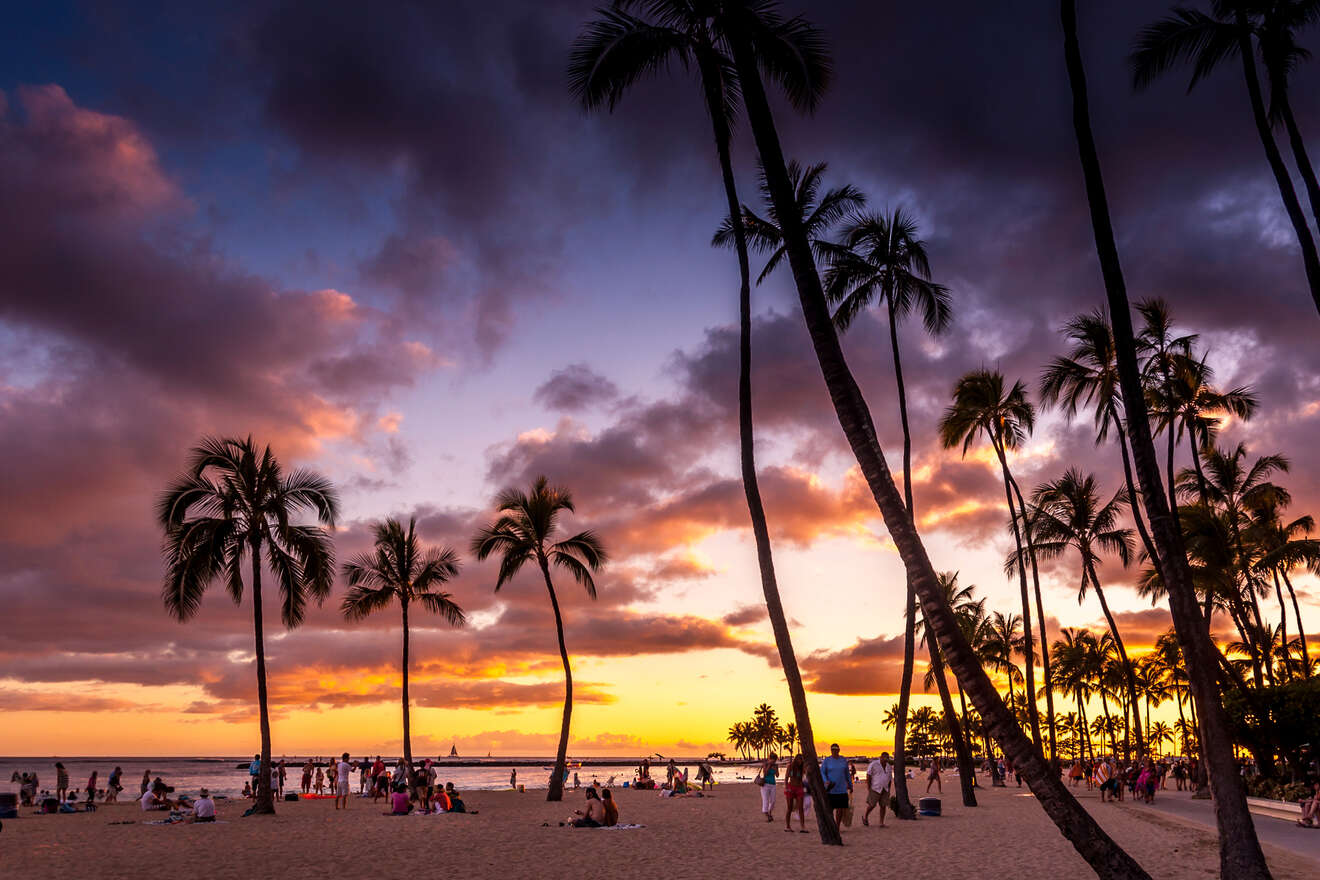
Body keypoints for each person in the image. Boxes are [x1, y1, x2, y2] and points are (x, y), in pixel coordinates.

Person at [820, 743, 853, 829]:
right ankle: (830, 825)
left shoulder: (843, 760)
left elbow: (847, 774)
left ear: (839, 750)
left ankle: (837, 827)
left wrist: (850, 784)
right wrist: (826, 781)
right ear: (831, 750)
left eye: (836, 749)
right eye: (833, 749)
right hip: (830, 789)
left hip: (842, 788)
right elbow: (822, 772)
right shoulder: (827, 760)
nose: (834, 751)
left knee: (840, 809)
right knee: (830, 809)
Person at [864, 752, 894, 828]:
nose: (885, 759)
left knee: (883, 806)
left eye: (887, 758)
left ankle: (881, 822)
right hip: (875, 788)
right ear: (880, 757)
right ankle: (865, 817)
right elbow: (868, 775)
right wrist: (869, 787)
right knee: (872, 805)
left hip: (885, 789)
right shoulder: (873, 764)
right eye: (884, 757)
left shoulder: (888, 766)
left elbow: (890, 778)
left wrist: (889, 789)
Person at [782, 754, 807, 832]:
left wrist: (805, 766)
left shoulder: (802, 767)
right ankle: (787, 826)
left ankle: (803, 827)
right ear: (796, 760)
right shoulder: (790, 766)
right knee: (789, 807)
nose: (800, 761)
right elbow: (786, 778)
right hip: (791, 788)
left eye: (801, 760)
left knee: (801, 808)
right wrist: (786, 787)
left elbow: (807, 773)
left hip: (799, 788)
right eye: (799, 759)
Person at [757, 753, 778, 823]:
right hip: (765, 785)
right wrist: (769, 765)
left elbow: (777, 775)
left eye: (775, 760)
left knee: (773, 801)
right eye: (773, 760)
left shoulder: (775, 765)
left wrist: (775, 769)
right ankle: (768, 816)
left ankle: (769, 813)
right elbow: (765, 773)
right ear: (770, 759)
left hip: (773, 785)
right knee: (765, 801)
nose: (774, 761)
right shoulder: (765, 764)